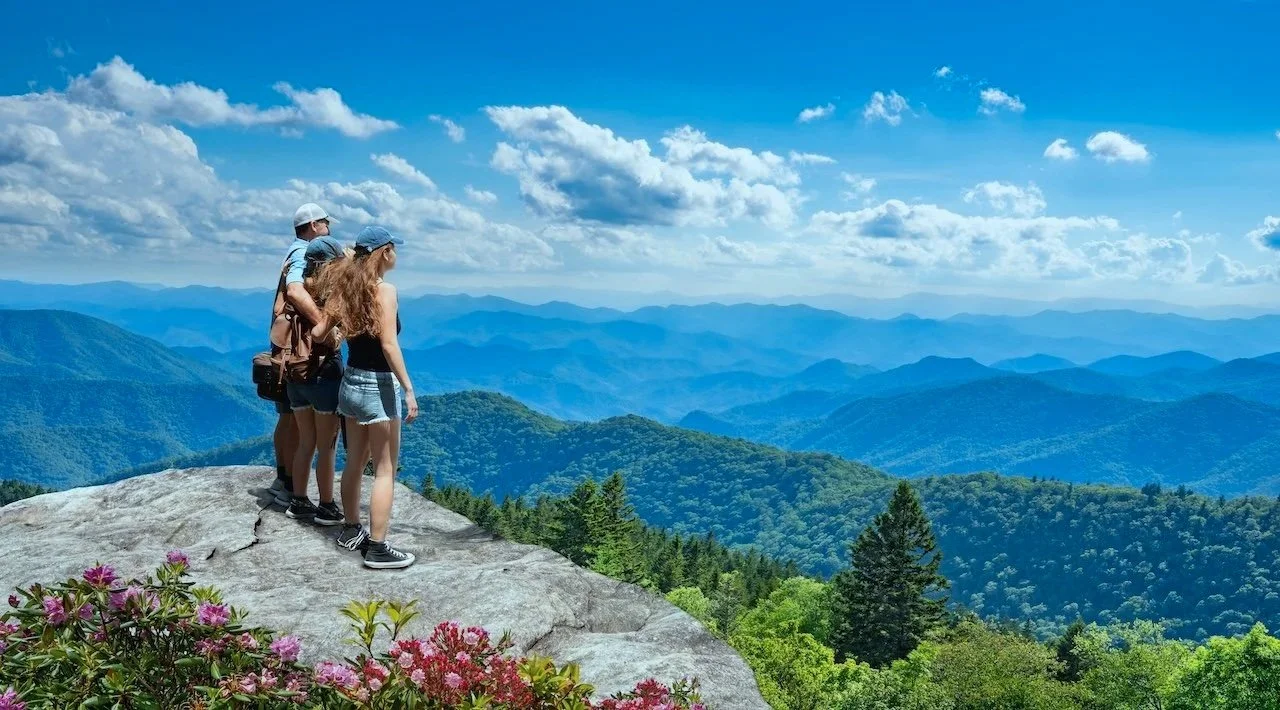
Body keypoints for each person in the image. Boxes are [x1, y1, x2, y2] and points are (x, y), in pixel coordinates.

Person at [313, 225, 418, 569]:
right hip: (378, 386)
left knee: (354, 462)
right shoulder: (384, 290)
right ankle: (377, 547)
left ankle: (350, 529)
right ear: (384, 252)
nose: (397, 255)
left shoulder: (345, 286)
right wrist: (408, 388)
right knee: (385, 470)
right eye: (394, 249)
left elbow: (318, 332)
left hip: (351, 383)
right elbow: (389, 344)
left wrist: (343, 332)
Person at [268, 202, 331, 507]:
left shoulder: (293, 250)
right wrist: (323, 324)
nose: (329, 227)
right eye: (325, 222)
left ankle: (284, 478)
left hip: (285, 346)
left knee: (288, 414)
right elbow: (294, 290)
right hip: (300, 350)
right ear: (312, 226)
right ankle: (291, 484)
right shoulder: (303, 253)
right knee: (296, 418)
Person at [284, 236, 347, 526]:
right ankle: (326, 506)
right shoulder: (328, 294)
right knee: (327, 445)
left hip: (294, 372)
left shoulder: (295, 292)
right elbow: (330, 337)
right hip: (323, 373)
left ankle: (298, 501)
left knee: (305, 442)